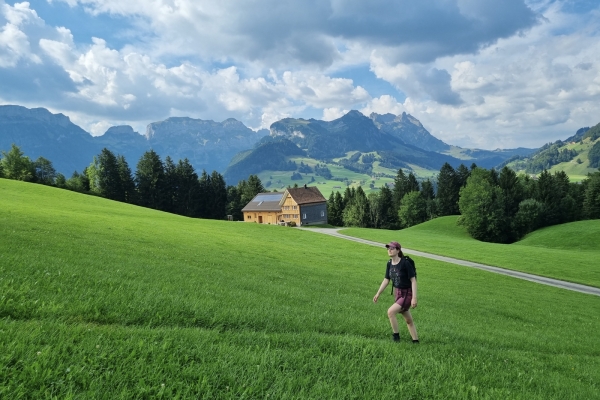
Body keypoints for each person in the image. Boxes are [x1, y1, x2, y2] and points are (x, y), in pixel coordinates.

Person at [373, 241, 419, 343]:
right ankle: (415, 341)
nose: (389, 250)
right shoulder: (389, 263)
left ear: (398, 250)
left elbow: (413, 280)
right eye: (388, 248)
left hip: (407, 294)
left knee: (390, 312)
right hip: (397, 293)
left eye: (392, 248)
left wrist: (414, 297)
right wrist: (378, 293)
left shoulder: (405, 263)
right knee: (408, 320)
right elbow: (386, 280)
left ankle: (396, 338)